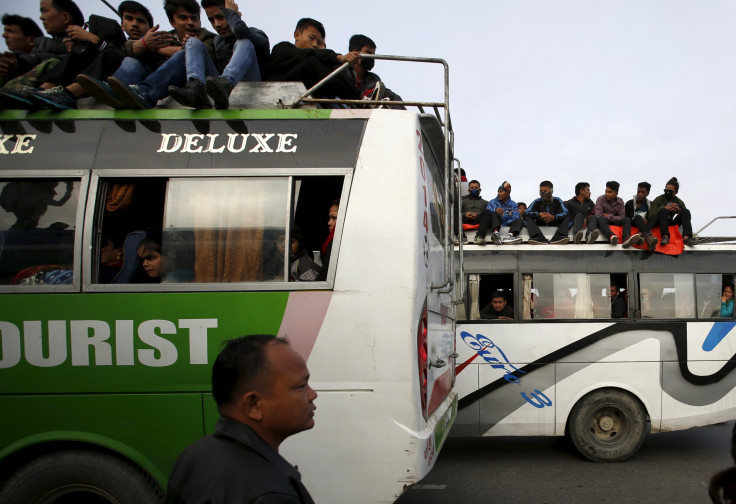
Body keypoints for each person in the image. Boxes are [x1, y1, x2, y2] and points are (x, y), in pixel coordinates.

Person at [167, 335, 316, 504]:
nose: (313, 395)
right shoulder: (270, 493)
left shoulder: (196, 453)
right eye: (301, 386)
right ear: (254, 405)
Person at [86, 0, 217, 109]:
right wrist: (144, 45)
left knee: (186, 53)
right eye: (183, 18)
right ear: (172, 22)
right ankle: (114, 91)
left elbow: (200, 55)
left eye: (194, 18)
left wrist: (156, 49)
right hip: (166, 85)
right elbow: (126, 48)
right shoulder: (165, 38)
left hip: (201, 86)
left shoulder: (208, 38)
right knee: (133, 61)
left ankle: (145, 93)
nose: (190, 22)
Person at [167, 0, 269, 109]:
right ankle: (195, 89)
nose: (217, 24)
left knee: (244, 41)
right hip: (218, 94)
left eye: (221, 17)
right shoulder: (217, 41)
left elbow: (241, 31)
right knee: (193, 42)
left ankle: (226, 83)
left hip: (251, 90)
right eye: (212, 20)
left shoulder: (257, 34)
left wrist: (232, 14)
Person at [262, 18, 368, 102]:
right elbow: (307, 54)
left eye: (319, 42)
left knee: (331, 70)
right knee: (312, 62)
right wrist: (338, 57)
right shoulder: (282, 48)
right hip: (274, 92)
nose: (314, 44)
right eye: (311, 38)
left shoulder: (315, 62)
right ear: (297, 35)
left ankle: (361, 99)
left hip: (302, 96)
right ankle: (360, 101)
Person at [346, 34, 402, 105]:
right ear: (355, 52)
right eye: (368, 52)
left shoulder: (372, 79)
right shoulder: (340, 72)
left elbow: (387, 94)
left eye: (373, 55)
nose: (372, 57)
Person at [648, 176, 694, 246]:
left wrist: (679, 212)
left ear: (675, 192)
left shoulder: (679, 201)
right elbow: (651, 215)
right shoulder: (659, 199)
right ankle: (665, 237)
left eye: (670, 191)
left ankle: (686, 237)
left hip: (671, 222)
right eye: (666, 191)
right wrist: (666, 208)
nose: (668, 193)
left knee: (685, 211)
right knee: (664, 211)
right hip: (660, 221)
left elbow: (685, 215)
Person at [474, 181, 523, 245]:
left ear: (507, 194)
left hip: (508, 224)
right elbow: (487, 213)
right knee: (494, 214)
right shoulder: (492, 202)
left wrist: (504, 218)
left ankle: (509, 236)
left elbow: (515, 217)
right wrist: (495, 210)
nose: (498, 194)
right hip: (495, 224)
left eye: (501, 192)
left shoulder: (514, 204)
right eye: (498, 191)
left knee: (519, 220)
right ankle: (496, 234)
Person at [524, 180, 571, 245]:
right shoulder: (537, 201)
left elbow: (566, 212)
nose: (543, 193)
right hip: (540, 223)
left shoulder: (557, 200)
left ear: (551, 190)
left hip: (555, 223)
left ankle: (559, 236)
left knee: (568, 216)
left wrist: (554, 217)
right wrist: (538, 214)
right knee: (527, 217)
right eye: (541, 191)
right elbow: (526, 212)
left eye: (545, 191)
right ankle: (537, 237)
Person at [594, 181, 637, 247]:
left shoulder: (620, 201)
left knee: (627, 219)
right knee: (600, 219)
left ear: (616, 193)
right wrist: (613, 217)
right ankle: (611, 237)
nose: (607, 194)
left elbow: (622, 216)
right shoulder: (600, 199)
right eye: (606, 191)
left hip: (616, 221)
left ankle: (626, 239)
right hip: (604, 222)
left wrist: (609, 216)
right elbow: (598, 215)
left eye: (610, 192)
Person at [624, 181, 658, 251]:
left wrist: (647, 220)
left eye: (643, 192)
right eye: (638, 192)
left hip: (646, 224)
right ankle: (648, 237)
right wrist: (641, 220)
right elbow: (627, 218)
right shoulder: (629, 203)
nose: (640, 194)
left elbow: (651, 217)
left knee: (656, 216)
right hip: (634, 222)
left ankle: (642, 234)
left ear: (647, 193)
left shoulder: (651, 204)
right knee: (638, 217)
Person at [457, 179, 487, 244]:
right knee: (455, 210)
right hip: (465, 219)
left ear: (480, 190)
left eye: (476, 188)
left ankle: (479, 236)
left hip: (479, 220)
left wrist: (477, 214)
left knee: (488, 212)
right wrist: (465, 214)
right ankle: (461, 236)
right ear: (468, 190)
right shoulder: (462, 202)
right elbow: (456, 213)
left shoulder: (485, 203)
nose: (474, 190)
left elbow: (489, 214)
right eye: (472, 188)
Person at [316, 199, 338, 281]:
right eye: (330, 218)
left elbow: (323, 278)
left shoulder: (335, 245)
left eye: (334, 218)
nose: (329, 223)